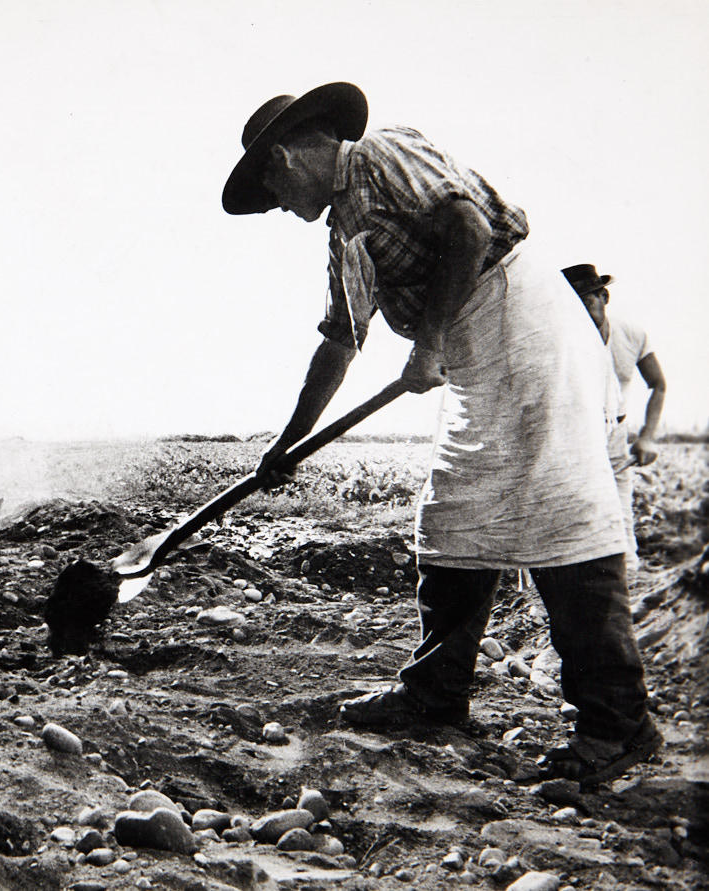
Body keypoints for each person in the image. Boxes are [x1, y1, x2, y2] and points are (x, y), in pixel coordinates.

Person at [221, 82, 659, 785]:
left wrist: (426, 343)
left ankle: (618, 722)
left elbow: (468, 228)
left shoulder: (380, 154)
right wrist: (285, 446)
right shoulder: (343, 230)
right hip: (470, 345)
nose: (280, 210)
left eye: (272, 193)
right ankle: (434, 692)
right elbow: (340, 341)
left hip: (518, 317)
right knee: (453, 514)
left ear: (283, 158)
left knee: (558, 511)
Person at [562, 263, 667, 575]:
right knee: (576, 517)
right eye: (572, 305)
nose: (581, 311)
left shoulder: (631, 333)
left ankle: (628, 583)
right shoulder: (561, 340)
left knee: (620, 514)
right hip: (576, 435)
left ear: (604, 296)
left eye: (588, 301)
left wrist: (648, 436)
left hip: (616, 432)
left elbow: (658, 384)